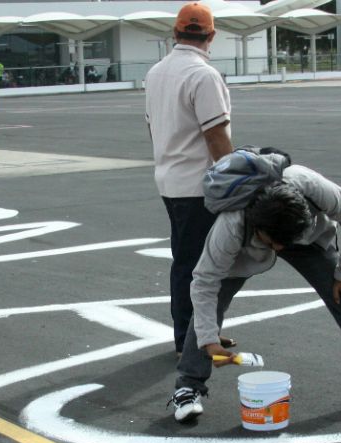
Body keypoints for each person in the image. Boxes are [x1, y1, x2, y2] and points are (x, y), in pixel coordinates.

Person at [167, 158, 341, 422]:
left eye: (284, 244)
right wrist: (209, 339)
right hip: (248, 245)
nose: (280, 250)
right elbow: (204, 282)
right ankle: (188, 387)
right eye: (274, 244)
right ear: (259, 228)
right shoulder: (233, 224)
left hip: (307, 238)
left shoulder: (315, 190)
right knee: (210, 307)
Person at [144, 2, 236, 358]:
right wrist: (235, 184)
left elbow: (152, 126)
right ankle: (191, 340)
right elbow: (216, 136)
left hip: (170, 180)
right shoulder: (204, 75)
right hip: (200, 186)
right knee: (201, 267)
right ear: (211, 35)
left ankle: (197, 334)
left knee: (187, 262)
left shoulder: (156, 72)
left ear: (175, 33)